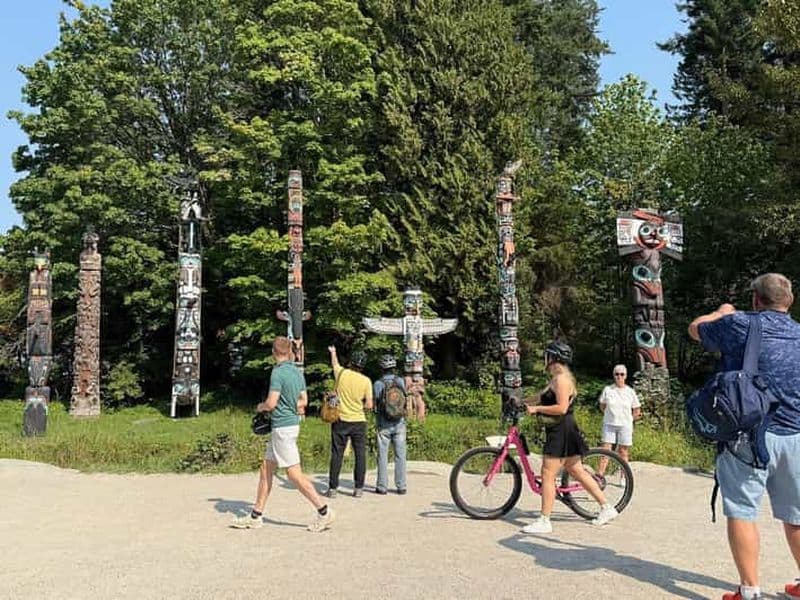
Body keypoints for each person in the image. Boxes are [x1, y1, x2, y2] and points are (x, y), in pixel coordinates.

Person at [689, 273, 800, 600]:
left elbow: (695, 329)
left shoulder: (738, 324)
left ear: (755, 300)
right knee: (796, 515)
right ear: (789, 301)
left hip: (749, 435)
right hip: (796, 434)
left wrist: (721, 312)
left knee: (741, 510)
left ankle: (749, 591)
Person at [232, 336, 333, 532]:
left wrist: (260, 407)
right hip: (290, 423)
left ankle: (324, 511)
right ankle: (256, 515)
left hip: (282, 427)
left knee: (294, 474)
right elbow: (303, 401)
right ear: (289, 352)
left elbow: (271, 403)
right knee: (266, 469)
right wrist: (288, 407)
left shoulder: (277, 373)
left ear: (273, 353)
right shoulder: (296, 372)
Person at [521, 340, 619, 534]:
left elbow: (561, 408)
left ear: (554, 358)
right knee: (577, 470)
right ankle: (607, 508)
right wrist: (521, 402)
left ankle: (544, 520)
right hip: (564, 429)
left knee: (548, 473)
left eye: (547, 355)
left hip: (562, 430)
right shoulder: (556, 378)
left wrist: (536, 409)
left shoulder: (562, 380)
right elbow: (540, 397)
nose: (545, 358)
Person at [327, 345, 373, 498]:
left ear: (351, 362)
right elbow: (369, 405)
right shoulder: (366, 381)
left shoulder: (342, 373)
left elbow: (335, 364)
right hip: (358, 421)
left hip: (340, 419)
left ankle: (333, 488)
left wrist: (333, 352)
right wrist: (360, 405)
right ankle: (358, 488)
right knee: (360, 455)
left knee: (337, 454)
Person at [373, 355, 407, 495]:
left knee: (382, 456)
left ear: (381, 368)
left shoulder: (378, 383)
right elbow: (404, 397)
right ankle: (401, 486)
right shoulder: (399, 381)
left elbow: (375, 403)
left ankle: (382, 486)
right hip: (399, 423)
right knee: (400, 455)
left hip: (383, 424)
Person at [598, 364, 641, 466]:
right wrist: (610, 415)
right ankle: (599, 476)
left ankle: (624, 477)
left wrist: (630, 420)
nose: (619, 377)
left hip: (625, 425)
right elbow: (602, 406)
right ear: (614, 375)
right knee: (605, 451)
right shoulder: (608, 390)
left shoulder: (630, 391)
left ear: (625, 376)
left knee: (623, 451)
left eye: (622, 374)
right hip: (609, 423)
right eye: (617, 374)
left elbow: (637, 409)